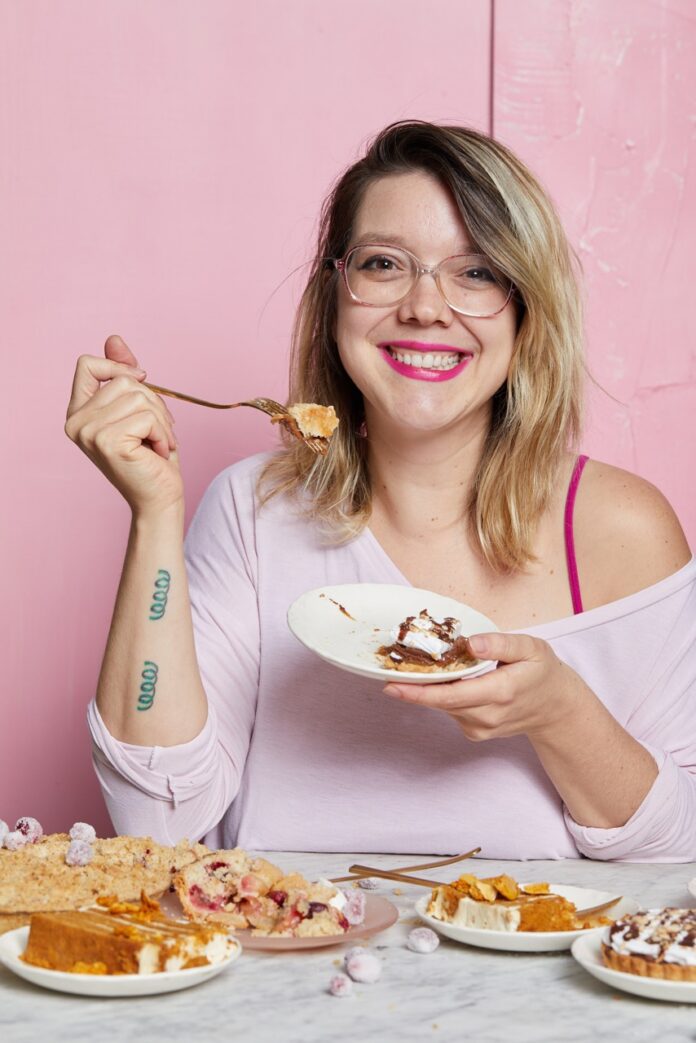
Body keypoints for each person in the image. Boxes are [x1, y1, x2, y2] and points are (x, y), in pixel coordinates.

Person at [65, 121, 695, 860]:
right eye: (384, 263)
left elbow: (680, 849)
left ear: (527, 313)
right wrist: (153, 513)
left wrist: (559, 710)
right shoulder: (254, 511)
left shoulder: (621, 528)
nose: (426, 307)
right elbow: (155, 819)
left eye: (477, 272)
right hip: (285, 961)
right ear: (337, 297)